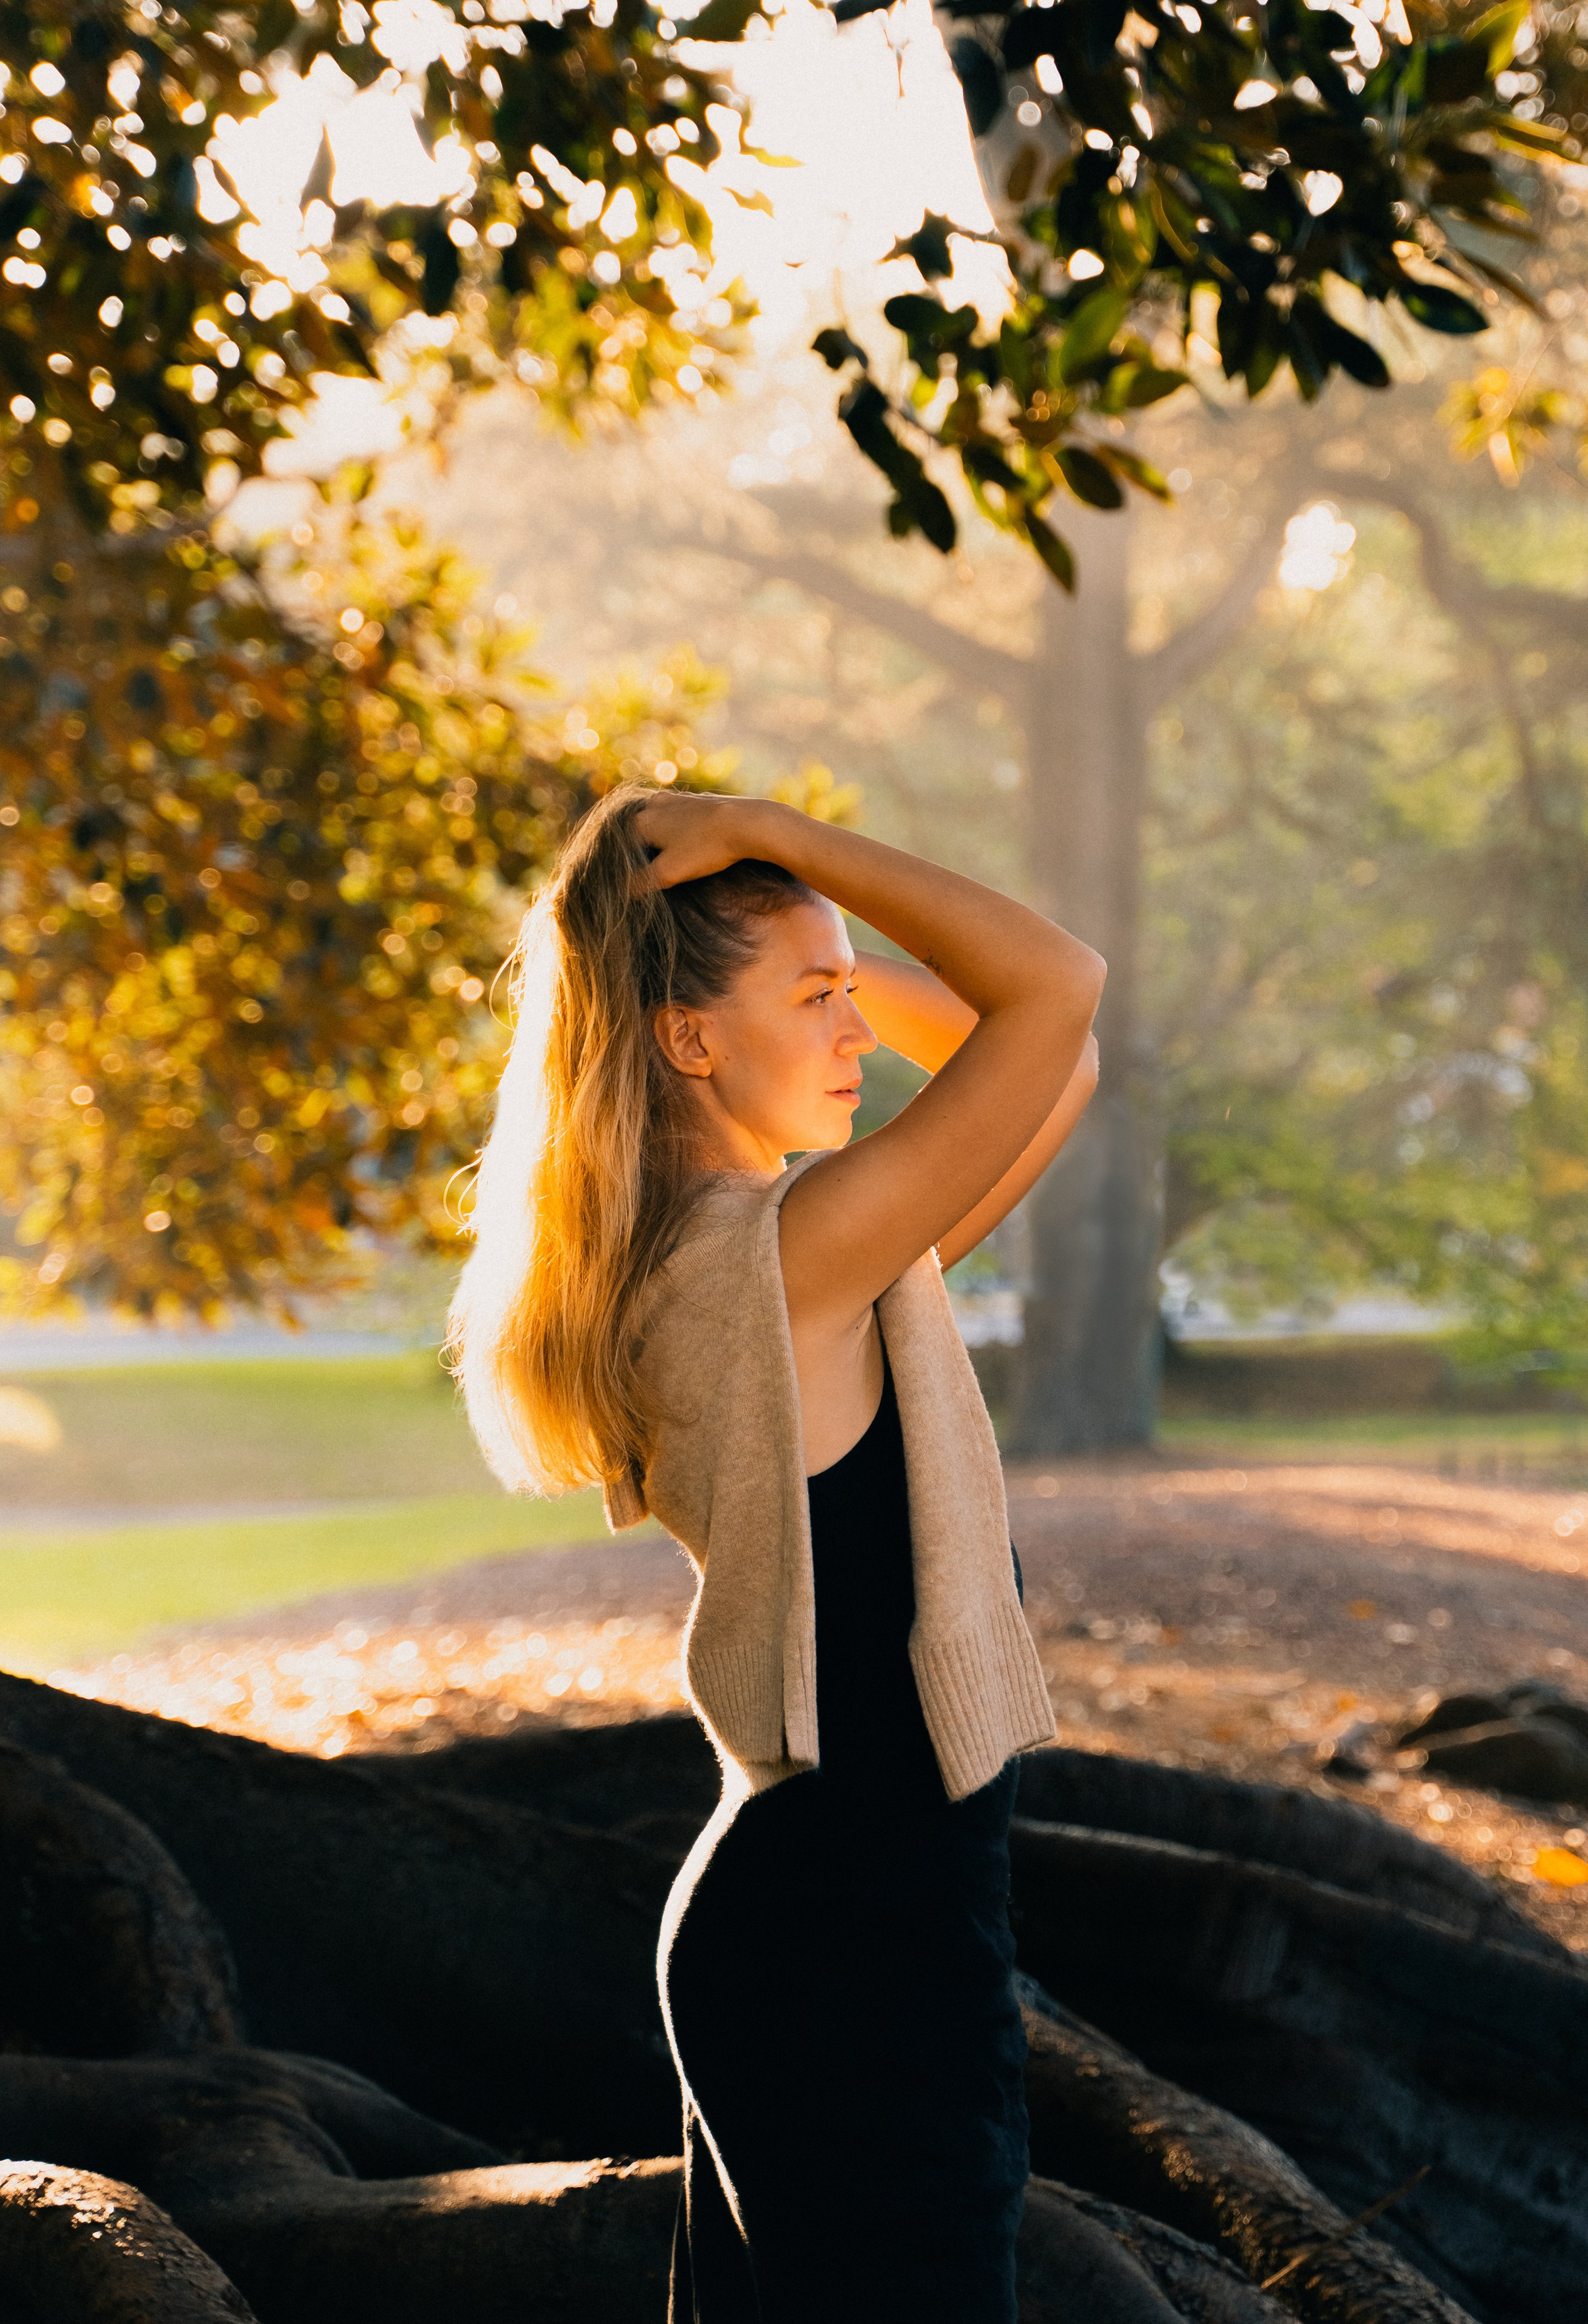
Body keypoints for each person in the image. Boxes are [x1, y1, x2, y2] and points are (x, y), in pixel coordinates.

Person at [448, 782, 1104, 2322]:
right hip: (851, 1958)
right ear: (688, 1040)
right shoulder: (778, 1265)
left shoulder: (784, 1252)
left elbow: (1052, 1066)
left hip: (833, 1923)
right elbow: (1055, 989)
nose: (857, 1029)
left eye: (851, 992)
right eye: (817, 999)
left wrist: (796, 929)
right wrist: (785, 841)